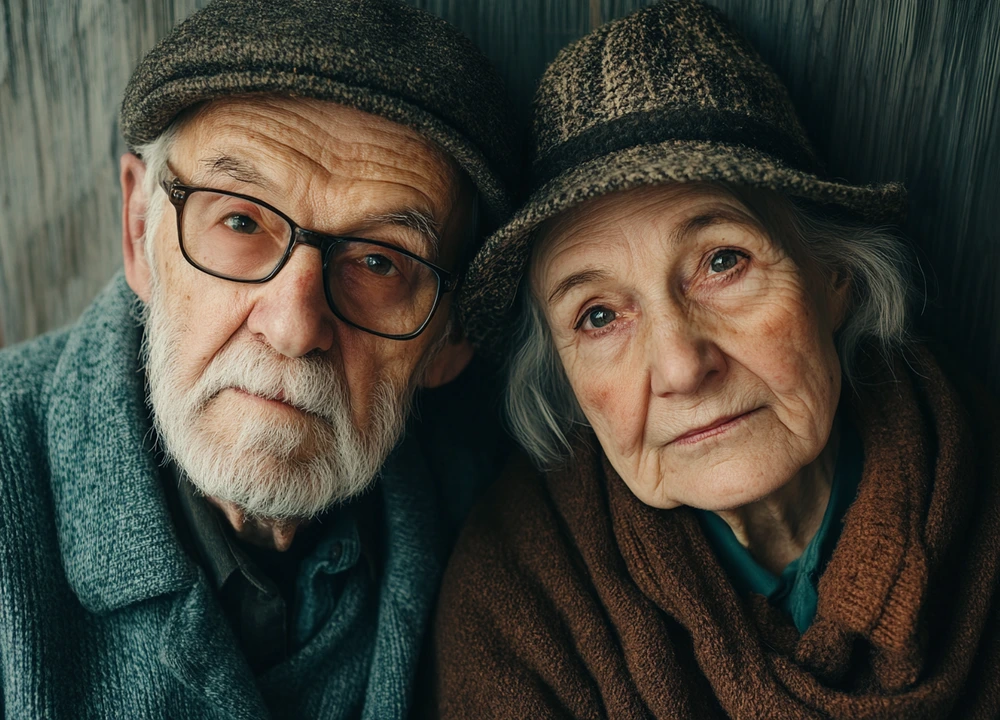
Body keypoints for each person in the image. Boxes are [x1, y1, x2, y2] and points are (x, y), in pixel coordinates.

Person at [433, 1, 1000, 717]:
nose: (680, 367)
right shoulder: (516, 599)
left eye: (723, 262)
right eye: (599, 316)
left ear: (835, 279)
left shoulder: (983, 485)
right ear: (567, 381)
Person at [0, 0, 518, 717]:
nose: (294, 327)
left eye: (378, 262)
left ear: (452, 338)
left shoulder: (495, 518)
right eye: (240, 219)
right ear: (141, 230)